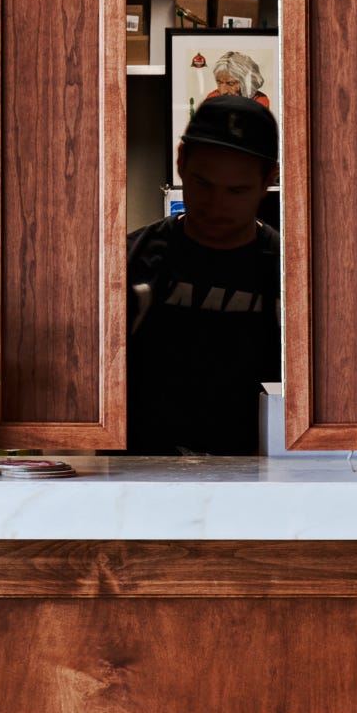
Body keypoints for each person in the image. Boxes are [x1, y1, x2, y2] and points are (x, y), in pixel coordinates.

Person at [126, 93, 281, 455]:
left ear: (268, 179)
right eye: (203, 184)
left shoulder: (289, 275)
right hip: (140, 480)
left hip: (257, 481)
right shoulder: (129, 263)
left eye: (237, 190)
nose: (216, 205)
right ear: (181, 162)